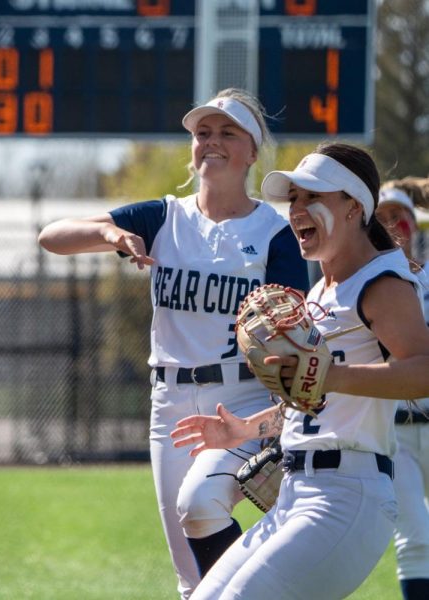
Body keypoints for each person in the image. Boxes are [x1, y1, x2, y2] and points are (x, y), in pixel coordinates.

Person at [38, 88, 309, 598]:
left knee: (200, 506)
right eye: (203, 133)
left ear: (253, 151)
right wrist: (110, 236)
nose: (212, 142)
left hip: (242, 396)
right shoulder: (166, 216)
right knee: (190, 577)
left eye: (228, 132)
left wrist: (271, 420)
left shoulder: (274, 233)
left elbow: (295, 338)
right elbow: (52, 236)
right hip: (170, 403)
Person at [171, 142, 429, 599]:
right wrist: (247, 429)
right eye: (293, 198)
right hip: (298, 489)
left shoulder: (381, 281)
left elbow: (423, 370)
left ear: (354, 207)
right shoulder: (321, 293)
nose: (297, 209)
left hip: (347, 496)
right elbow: (314, 401)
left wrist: (332, 376)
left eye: (313, 196)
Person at [375, 177, 429, 599]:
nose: (394, 225)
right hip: (396, 430)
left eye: (400, 216)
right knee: (415, 538)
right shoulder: (369, 286)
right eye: (384, 218)